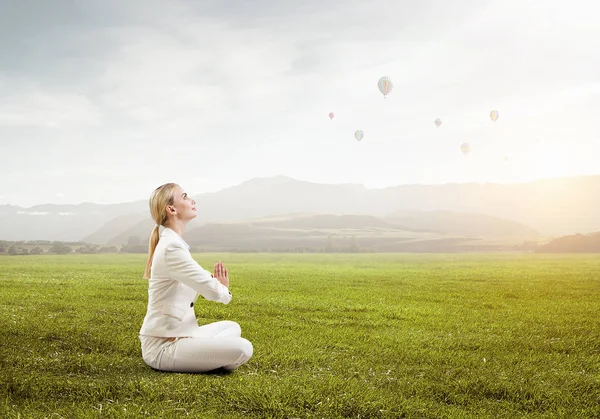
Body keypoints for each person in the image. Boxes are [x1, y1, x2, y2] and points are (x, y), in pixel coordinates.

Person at [139, 182, 253, 373]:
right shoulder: (172, 248)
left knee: (232, 327)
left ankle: (205, 360)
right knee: (243, 348)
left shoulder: (174, 244)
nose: (191, 200)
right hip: (163, 347)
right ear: (171, 209)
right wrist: (221, 287)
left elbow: (202, 281)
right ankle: (209, 362)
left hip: (185, 335)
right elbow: (216, 293)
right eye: (184, 196)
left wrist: (215, 284)